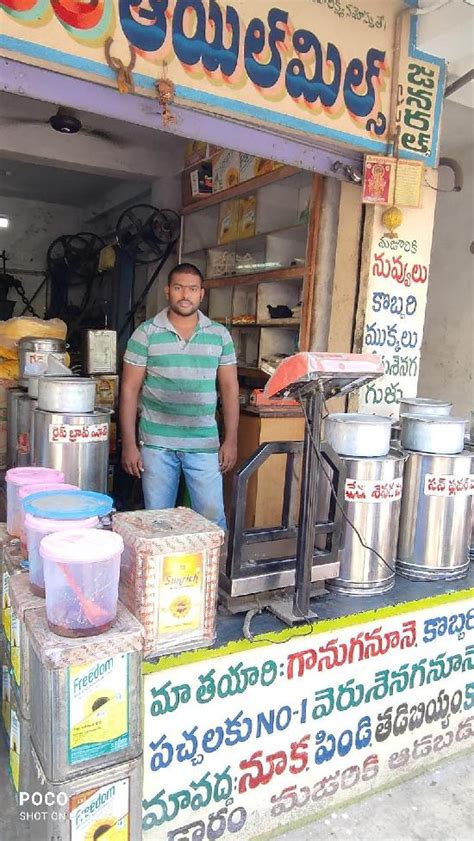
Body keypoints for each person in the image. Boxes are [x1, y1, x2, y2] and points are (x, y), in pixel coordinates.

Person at [120, 262, 239, 529]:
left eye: (192, 289)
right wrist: (129, 444)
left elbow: (230, 389)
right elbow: (129, 389)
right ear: (167, 292)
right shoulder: (146, 333)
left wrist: (230, 440)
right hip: (156, 444)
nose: (185, 295)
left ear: (202, 294)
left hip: (204, 443)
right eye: (178, 288)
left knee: (212, 520)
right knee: (158, 521)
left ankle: (211, 570)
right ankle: (162, 571)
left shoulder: (219, 335)